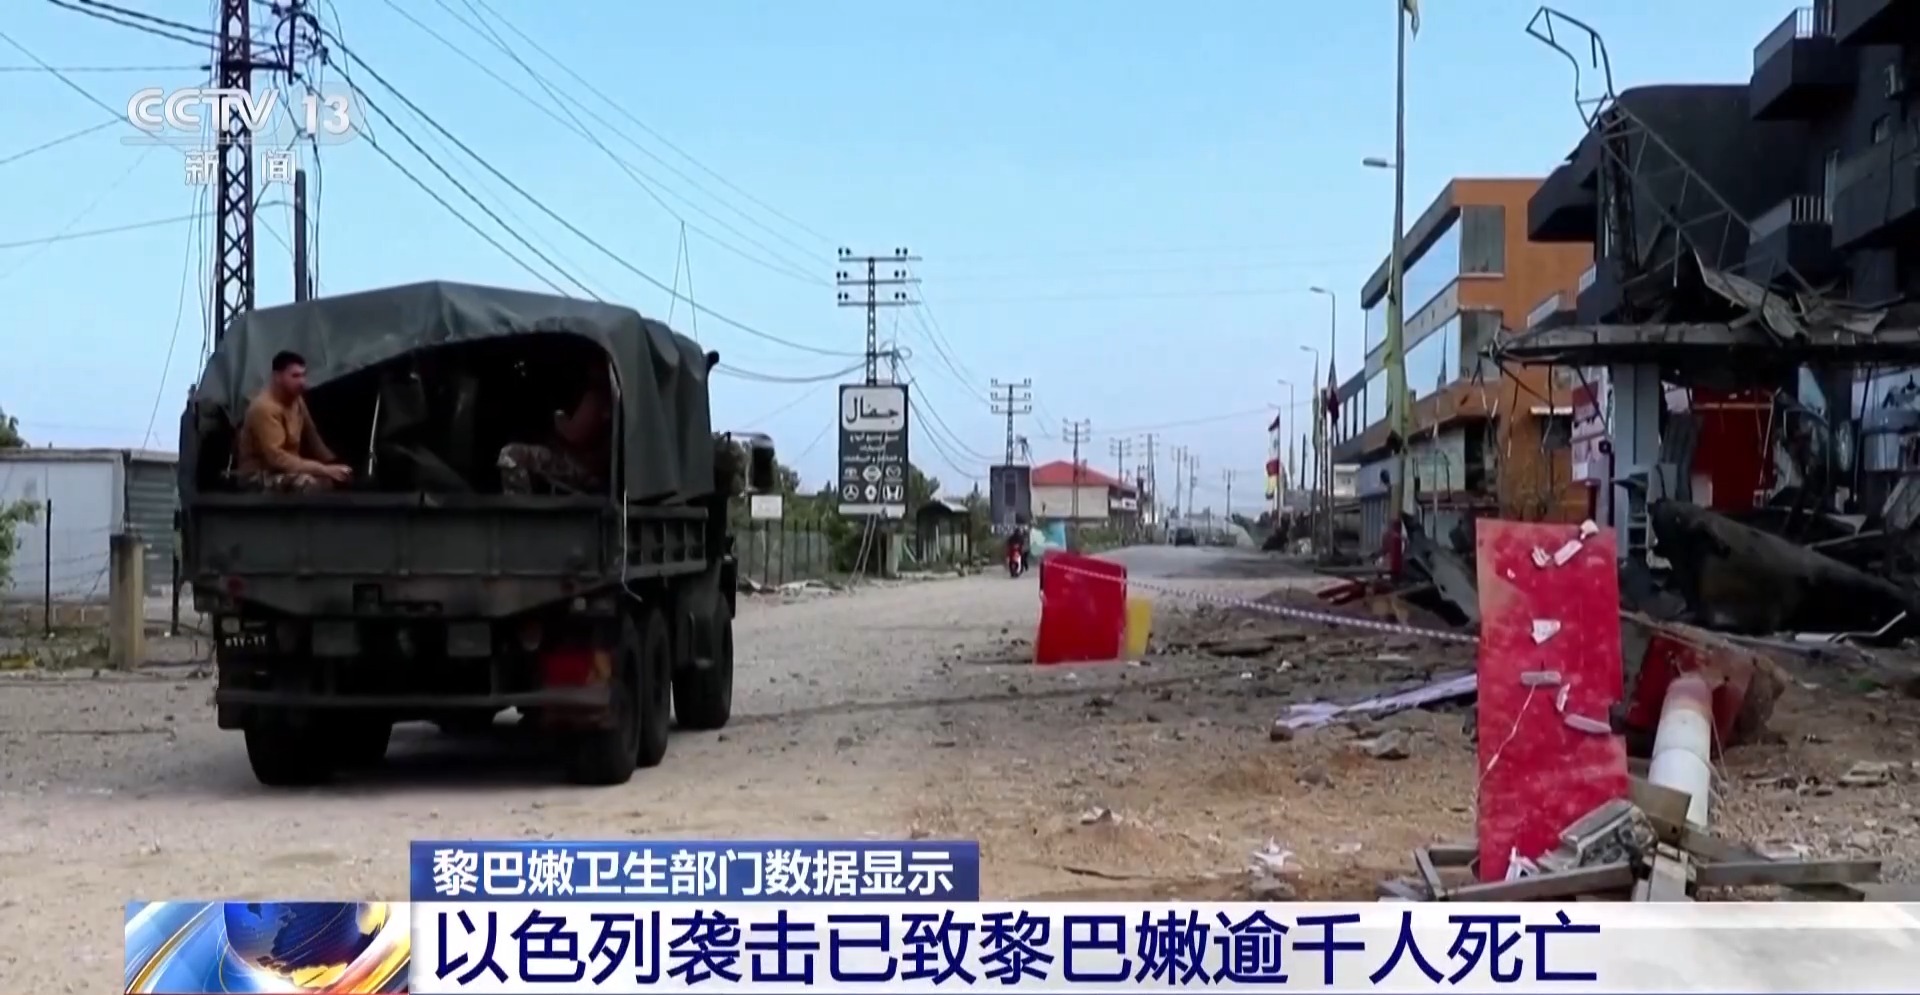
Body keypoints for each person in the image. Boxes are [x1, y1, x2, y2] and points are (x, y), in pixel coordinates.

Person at [236, 350, 352, 492]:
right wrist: (324, 469)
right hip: (259, 475)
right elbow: (277, 458)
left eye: (303, 375)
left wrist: (334, 464)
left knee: (333, 480)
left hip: (287, 470)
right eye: (295, 376)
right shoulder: (264, 408)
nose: (302, 382)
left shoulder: (296, 400)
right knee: (308, 484)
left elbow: (313, 437)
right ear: (277, 377)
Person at [497, 371, 612, 495]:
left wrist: (558, 416)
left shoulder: (596, 397)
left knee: (511, 453)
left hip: (581, 467)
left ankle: (518, 503)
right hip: (583, 462)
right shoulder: (602, 395)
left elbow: (574, 434)